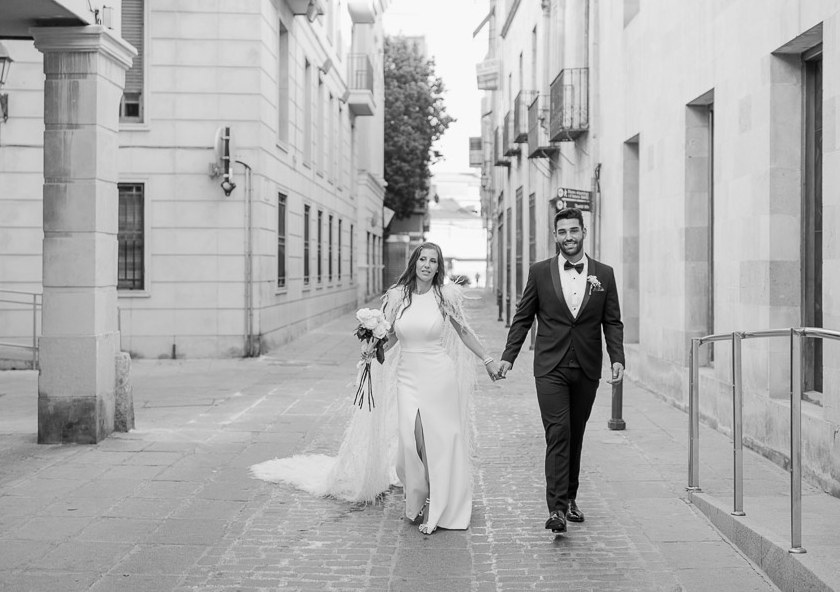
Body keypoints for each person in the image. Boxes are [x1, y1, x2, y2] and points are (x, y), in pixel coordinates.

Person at [251, 242, 501, 536]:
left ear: (438, 267)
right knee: (410, 441)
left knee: (435, 439)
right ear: (414, 262)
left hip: (438, 375)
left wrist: (487, 359)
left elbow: (463, 331)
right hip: (407, 377)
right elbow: (392, 336)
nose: (427, 265)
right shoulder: (399, 296)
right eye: (423, 259)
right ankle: (418, 493)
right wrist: (372, 351)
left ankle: (438, 501)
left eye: (433, 261)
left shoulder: (444, 297)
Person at [496, 208, 625, 533]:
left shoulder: (604, 274)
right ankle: (555, 509)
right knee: (558, 433)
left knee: (575, 433)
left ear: (583, 232)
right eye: (562, 232)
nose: (568, 237)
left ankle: (569, 498)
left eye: (573, 231)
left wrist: (617, 357)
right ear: (555, 236)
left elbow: (612, 321)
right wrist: (508, 357)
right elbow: (523, 317)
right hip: (550, 367)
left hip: (586, 366)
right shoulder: (540, 272)